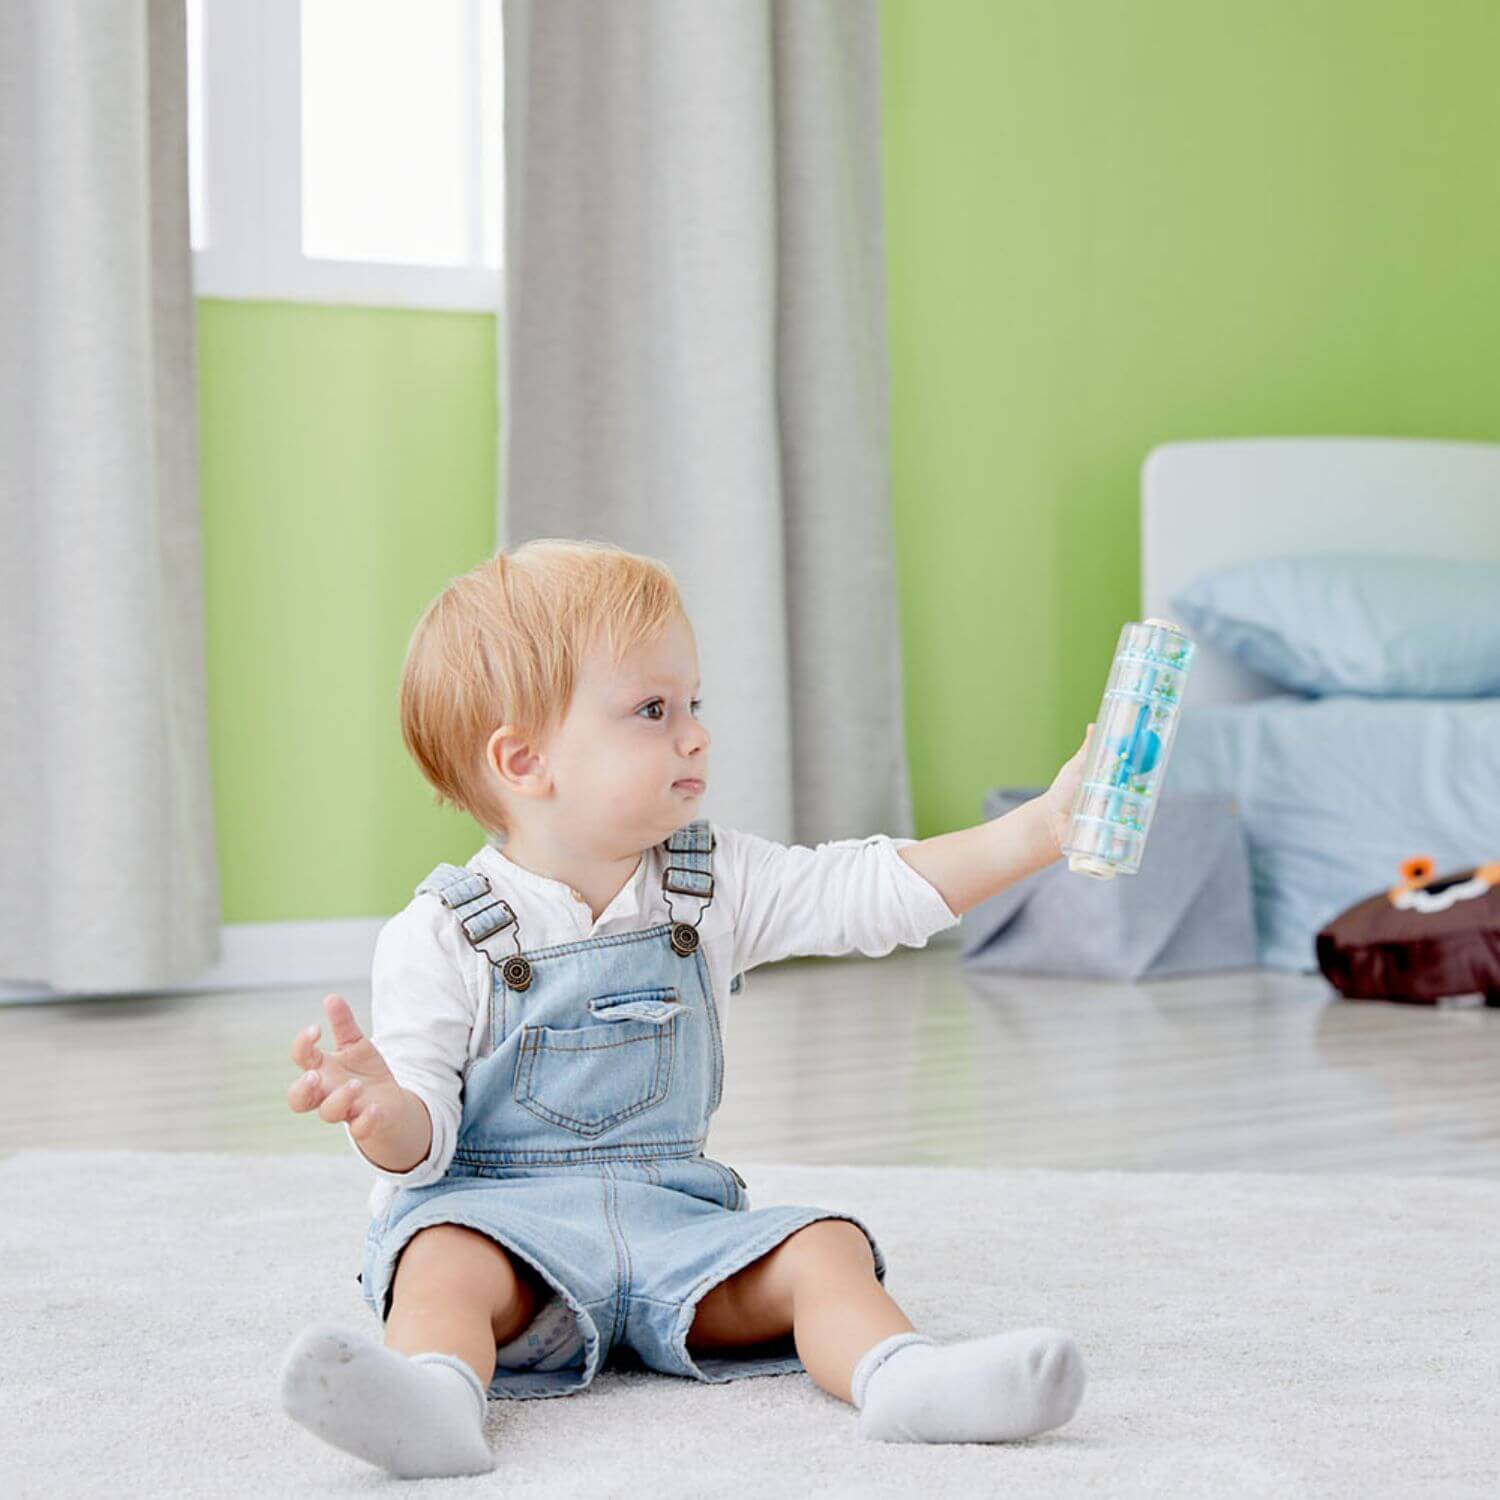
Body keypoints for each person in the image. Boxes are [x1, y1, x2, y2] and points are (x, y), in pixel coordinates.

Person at [279, 539, 1091, 1478]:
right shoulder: (439, 934)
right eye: (653, 710)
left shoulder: (714, 883)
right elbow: (425, 1144)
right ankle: (435, 1400)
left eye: (693, 705)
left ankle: (901, 1378)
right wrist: (384, 1115)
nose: (696, 734)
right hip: (510, 1242)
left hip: (679, 1235)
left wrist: (1036, 833)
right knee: (438, 1257)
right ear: (525, 759)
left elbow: (872, 891)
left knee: (824, 1245)